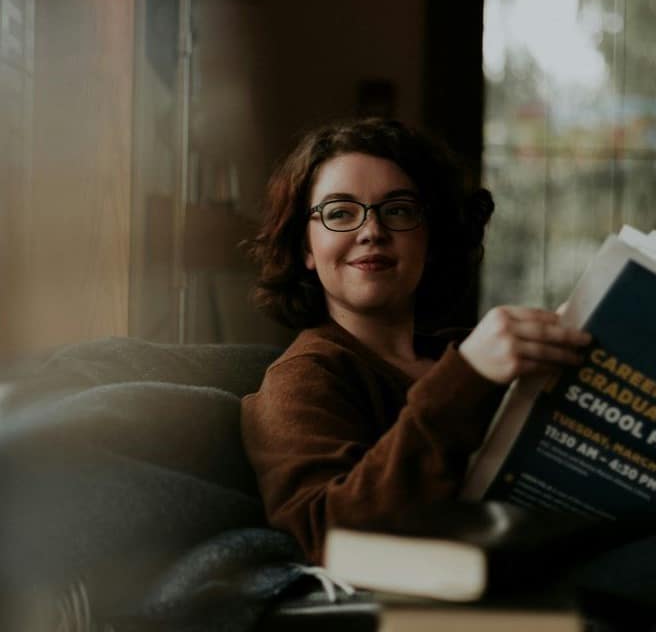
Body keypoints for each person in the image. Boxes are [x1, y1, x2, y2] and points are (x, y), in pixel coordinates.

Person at [241, 117, 590, 565]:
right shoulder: (304, 377)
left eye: (400, 209)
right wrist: (468, 378)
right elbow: (329, 534)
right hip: (508, 587)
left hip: (582, 544)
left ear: (432, 238)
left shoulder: (463, 350)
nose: (371, 231)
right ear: (307, 248)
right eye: (340, 212)